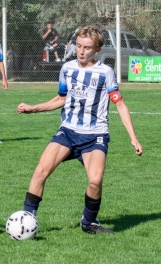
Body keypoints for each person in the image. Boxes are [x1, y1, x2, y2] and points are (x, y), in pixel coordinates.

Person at [17, 26, 142, 234]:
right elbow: (61, 98)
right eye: (79, 46)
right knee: (40, 172)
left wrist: (133, 138)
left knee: (95, 180)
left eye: (87, 48)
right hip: (67, 131)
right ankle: (26, 220)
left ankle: (89, 223)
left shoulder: (106, 72)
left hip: (95, 136)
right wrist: (34, 108)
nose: (81, 51)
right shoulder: (67, 68)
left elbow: (119, 104)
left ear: (97, 50)